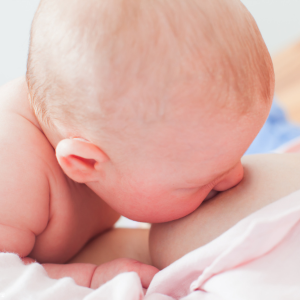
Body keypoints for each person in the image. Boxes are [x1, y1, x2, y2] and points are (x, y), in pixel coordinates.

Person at [0, 0, 274, 289]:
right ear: (86, 162)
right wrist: (90, 278)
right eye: (196, 182)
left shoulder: (111, 130)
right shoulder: (14, 175)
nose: (236, 177)